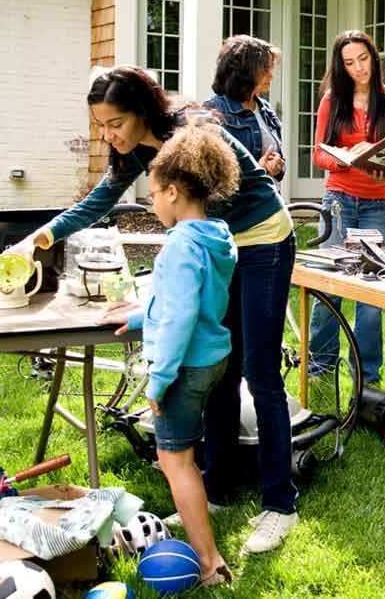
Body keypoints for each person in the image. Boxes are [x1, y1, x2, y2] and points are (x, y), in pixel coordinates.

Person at [11, 66, 300, 553]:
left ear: (141, 112)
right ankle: (217, 488)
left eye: (115, 123)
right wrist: (40, 237)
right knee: (221, 369)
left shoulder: (192, 136)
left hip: (262, 241)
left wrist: (160, 302)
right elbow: (98, 202)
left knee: (261, 372)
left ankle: (279, 504)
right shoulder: (134, 153)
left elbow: (209, 217)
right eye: (101, 125)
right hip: (223, 245)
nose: (108, 134)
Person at [97, 118, 239, 587]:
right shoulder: (215, 235)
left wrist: (158, 381)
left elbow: (178, 319)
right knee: (185, 454)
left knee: (175, 460)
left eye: (154, 193)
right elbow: (185, 302)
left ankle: (208, 561)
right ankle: (204, 543)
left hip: (185, 365)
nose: (152, 201)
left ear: (175, 191)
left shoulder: (180, 245)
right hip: (212, 357)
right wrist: (139, 317)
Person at [310, 30, 385, 383]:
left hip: (381, 202)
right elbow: (319, 153)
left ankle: (367, 372)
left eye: (364, 59)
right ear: (341, 67)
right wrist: (346, 158)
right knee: (332, 282)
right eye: (350, 63)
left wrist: (381, 159)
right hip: (339, 198)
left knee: (372, 285)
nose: (359, 69)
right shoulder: (332, 101)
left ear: (374, 57)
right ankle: (320, 364)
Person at [206, 35, 286, 181]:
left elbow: (280, 164)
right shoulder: (214, 110)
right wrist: (258, 169)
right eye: (265, 69)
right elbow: (211, 173)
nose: (271, 75)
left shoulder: (265, 109)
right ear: (245, 71)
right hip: (239, 203)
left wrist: (277, 165)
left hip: (269, 201)